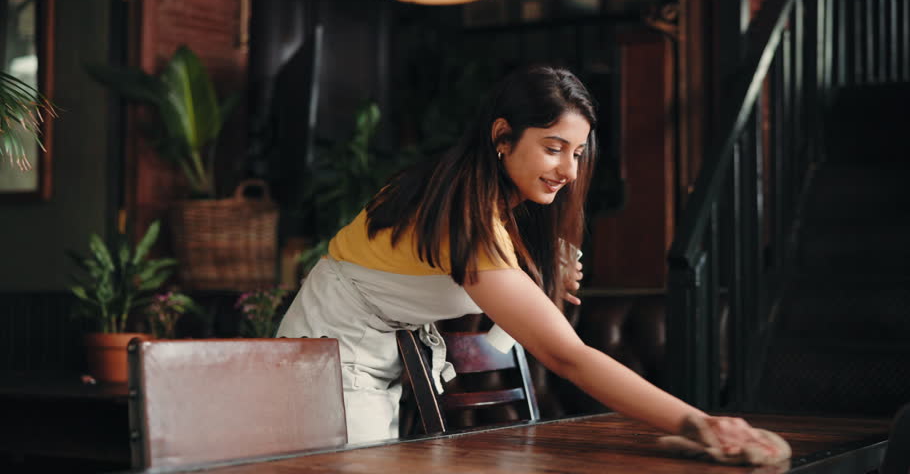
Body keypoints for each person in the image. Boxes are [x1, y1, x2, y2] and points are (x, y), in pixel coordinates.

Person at [276, 65, 786, 461]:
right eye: (552, 148)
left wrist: (537, 285)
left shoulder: (483, 207)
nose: (568, 169)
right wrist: (700, 423)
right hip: (325, 370)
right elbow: (567, 357)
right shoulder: (466, 218)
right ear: (502, 137)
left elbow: (501, 338)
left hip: (374, 368)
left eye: (578, 153)